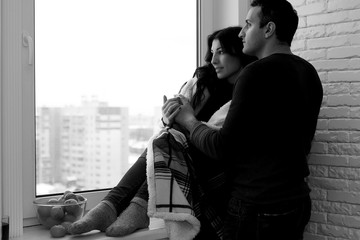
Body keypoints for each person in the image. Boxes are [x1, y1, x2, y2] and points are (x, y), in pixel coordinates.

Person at [69, 26, 256, 239]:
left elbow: (218, 140)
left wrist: (182, 124)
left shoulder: (245, 93)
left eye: (221, 52)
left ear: (239, 52)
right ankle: (111, 206)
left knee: (168, 140)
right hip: (182, 154)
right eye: (212, 52)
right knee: (164, 138)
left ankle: (128, 206)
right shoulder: (202, 84)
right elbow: (170, 127)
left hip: (214, 167)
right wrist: (168, 118)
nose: (213, 60)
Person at [167, 0, 324, 239]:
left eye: (248, 24)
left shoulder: (255, 73)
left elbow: (221, 147)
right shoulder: (309, 73)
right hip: (297, 201)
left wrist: (189, 120)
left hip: (258, 206)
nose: (241, 33)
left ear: (268, 29)